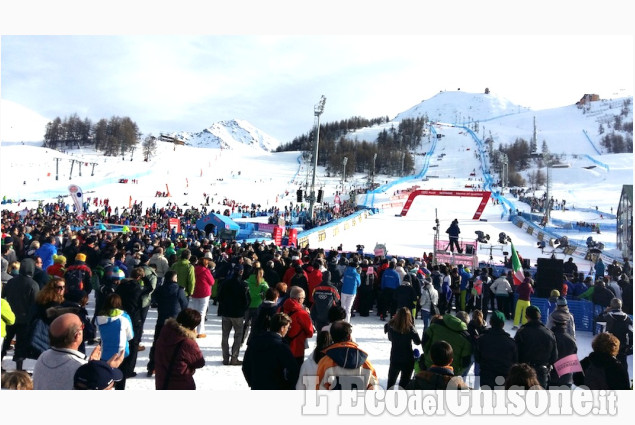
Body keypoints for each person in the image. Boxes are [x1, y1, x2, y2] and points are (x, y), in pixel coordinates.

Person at [32, 313, 124, 390]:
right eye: (82, 326)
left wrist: (94, 366)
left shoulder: (43, 357)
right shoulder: (81, 368)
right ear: (77, 335)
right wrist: (106, 370)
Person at [242, 312, 300, 390]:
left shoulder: (255, 342)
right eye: (288, 327)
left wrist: (252, 382)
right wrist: (288, 387)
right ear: (282, 328)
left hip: (257, 386)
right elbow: (293, 369)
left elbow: (245, 366)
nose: (288, 330)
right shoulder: (281, 346)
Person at [147, 270, 188, 377]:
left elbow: (153, 299)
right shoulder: (179, 290)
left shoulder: (160, 289)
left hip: (161, 319)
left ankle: (152, 366)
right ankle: (170, 367)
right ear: (174, 279)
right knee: (174, 345)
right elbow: (184, 304)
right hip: (175, 321)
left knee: (157, 343)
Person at [1, 257, 39, 371]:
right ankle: (19, 368)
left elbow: (3, 296)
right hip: (25, 319)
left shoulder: (12, 281)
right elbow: (35, 303)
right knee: (21, 345)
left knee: (5, 343)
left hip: (10, 317)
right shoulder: (33, 284)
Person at [316, 320, 378, 390]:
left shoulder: (325, 362)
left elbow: (319, 388)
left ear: (332, 337)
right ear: (349, 337)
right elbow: (374, 387)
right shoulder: (365, 362)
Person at [153, 308, 205, 390]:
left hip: (162, 381)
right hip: (180, 383)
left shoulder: (165, 332)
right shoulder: (188, 342)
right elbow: (199, 362)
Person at [95, 293, 134, 390]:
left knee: (105, 382)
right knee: (120, 381)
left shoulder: (99, 318)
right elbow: (130, 336)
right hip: (121, 354)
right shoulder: (124, 317)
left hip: (104, 354)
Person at [514, 305, 558, 389]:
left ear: (526, 316)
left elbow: (516, 354)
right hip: (542, 372)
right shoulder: (549, 333)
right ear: (539, 316)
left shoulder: (522, 332)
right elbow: (554, 357)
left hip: (525, 373)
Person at [218, 263, 250, 365]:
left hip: (226, 313)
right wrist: (243, 309)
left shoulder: (225, 282)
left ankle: (225, 358)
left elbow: (220, 297)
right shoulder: (243, 285)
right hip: (238, 314)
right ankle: (234, 358)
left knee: (225, 336)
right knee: (238, 336)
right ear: (241, 272)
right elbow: (247, 300)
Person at [475, 310, 517, 389]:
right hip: (503, 379)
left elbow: (477, 358)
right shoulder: (510, 342)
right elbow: (515, 361)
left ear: (490, 322)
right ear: (503, 324)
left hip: (486, 377)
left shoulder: (482, 339)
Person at [384, 307, 421, 389]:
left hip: (395, 356)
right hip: (407, 358)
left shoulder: (391, 326)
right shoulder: (410, 329)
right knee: (404, 383)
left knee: (391, 381)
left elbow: (390, 339)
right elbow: (418, 342)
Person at [280, 286, 314, 366]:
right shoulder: (302, 314)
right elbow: (310, 333)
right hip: (296, 350)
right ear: (299, 299)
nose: (304, 300)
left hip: (280, 348)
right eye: (303, 298)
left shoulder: (280, 309)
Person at [598, 298, 633, 371]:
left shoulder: (608, 317)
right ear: (621, 306)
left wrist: (605, 311)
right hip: (622, 346)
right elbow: (631, 333)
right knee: (622, 367)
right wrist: (630, 346)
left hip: (609, 345)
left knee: (609, 367)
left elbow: (597, 320)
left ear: (611, 306)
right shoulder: (627, 319)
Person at [191, 252, 215, 338]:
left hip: (195, 291)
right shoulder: (206, 271)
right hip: (204, 292)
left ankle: (192, 328)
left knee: (194, 311)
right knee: (202, 312)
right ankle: (200, 331)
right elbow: (212, 282)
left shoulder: (193, 269)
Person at [549, 318, 578, 388]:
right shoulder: (571, 340)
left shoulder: (550, 338)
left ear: (553, 323)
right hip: (566, 379)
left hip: (551, 378)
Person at [243, 266, 268, 344]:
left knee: (246, 324)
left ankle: (241, 340)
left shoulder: (247, 281)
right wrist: (262, 295)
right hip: (258, 305)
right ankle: (249, 341)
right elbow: (268, 293)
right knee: (254, 326)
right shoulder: (263, 283)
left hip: (247, 305)